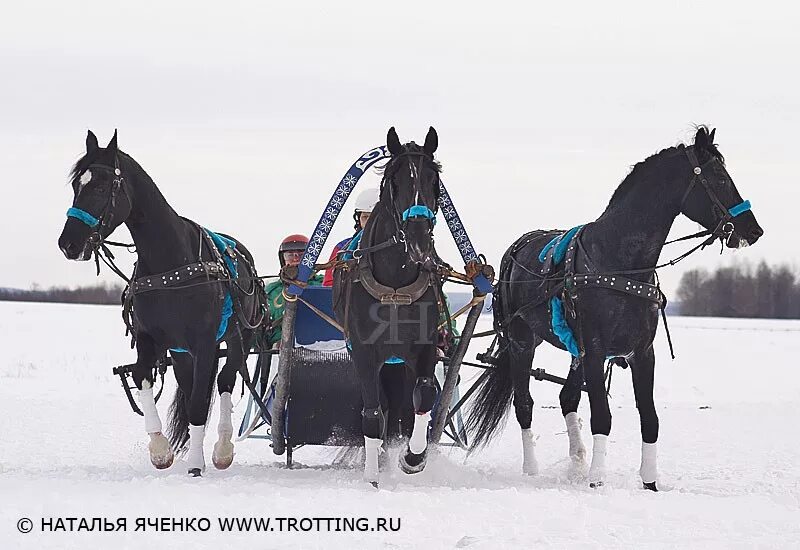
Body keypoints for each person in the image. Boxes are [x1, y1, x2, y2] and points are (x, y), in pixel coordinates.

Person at [264, 234, 323, 347]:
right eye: (290, 255)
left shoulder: (324, 285)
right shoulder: (271, 291)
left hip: (320, 346)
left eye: (301, 255)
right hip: (278, 350)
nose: (296, 259)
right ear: (283, 259)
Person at [322, 187, 380, 286]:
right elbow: (329, 285)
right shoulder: (343, 247)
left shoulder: (402, 248)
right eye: (366, 217)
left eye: (376, 218)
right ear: (358, 219)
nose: (370, 223)